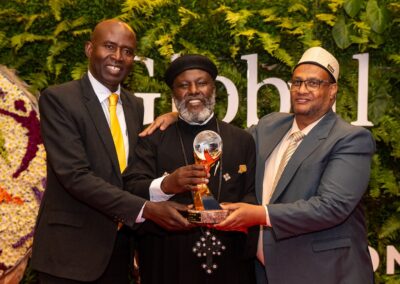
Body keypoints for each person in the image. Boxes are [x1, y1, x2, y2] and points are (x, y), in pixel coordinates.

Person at [142, 47, 375, 284]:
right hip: (267, 270)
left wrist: (259, 214)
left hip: (323, 271)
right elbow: (228, 141)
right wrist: (184, 115)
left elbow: (331, 207)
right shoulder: (269, 126)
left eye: (314, 83)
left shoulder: (349, 138)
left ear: (332, 90)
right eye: (297, 82)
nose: (303, 90)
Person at [31, 19, 191, 283]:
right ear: (89, 49)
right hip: (69, 255)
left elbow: (129, 172)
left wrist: (178, 117)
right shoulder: (59, 99)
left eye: (127, 51)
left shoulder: (133, 105)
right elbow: (75, 176)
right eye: (109, 46)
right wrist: (146, 209)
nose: (118, 57)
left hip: (119, 251)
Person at [124, 54, 258, 284]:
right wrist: (167, 185)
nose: (193, 90)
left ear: (213, 88)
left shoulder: (241, 139)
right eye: (183, 85)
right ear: (174, 94)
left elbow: (252, 194)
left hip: (230, 263)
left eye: (202, 83)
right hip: (167, 261)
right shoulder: (152, 138)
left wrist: (236, 214)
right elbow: (130, 190)